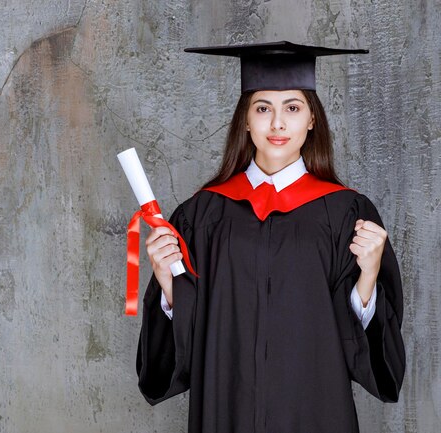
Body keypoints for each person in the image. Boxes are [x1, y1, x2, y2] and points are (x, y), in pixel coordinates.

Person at [135, 41, 405, 433]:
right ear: (245, 120)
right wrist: (168, 287)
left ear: (312, 119)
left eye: (292, 108)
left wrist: (368, 277)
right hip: (229, 409)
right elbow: (184, 351)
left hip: (314, 409)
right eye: (263, 108)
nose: (277, 124)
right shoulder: (203, 214)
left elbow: (369, 356)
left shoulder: (346, 213)